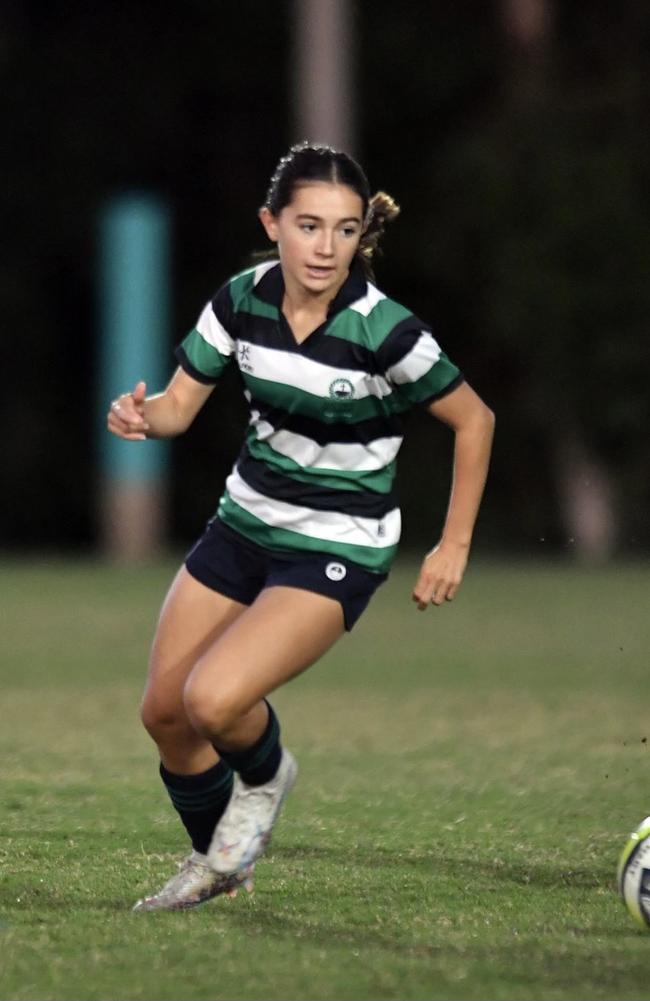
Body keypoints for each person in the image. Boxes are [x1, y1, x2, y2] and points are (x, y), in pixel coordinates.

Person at [107, 142, 495, 912]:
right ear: (272, 223)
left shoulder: (384, 330)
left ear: (360, 236)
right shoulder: (240, 301)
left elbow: (474, 420)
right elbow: (180, 407)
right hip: (244, 524)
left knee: (214, 701)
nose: (326, 247)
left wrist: (451, 544)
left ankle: (267, 775)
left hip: (338, 542)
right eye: (309, 226)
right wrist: (139, 417)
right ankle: (219, 859)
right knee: (164, 712)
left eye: (345, 230)